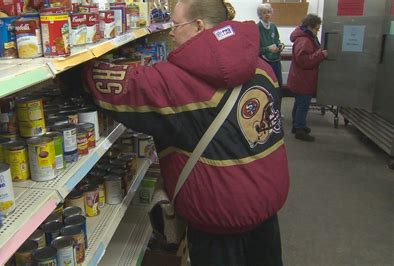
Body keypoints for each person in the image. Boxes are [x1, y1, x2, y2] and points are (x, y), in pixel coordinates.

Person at [62, 0, 289, 265]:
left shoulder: (176, 82)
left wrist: (74, 70)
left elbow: (127, 87)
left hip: (218, 223)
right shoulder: (262, 66)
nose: (170, 32)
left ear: (199, 26)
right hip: (265, 209)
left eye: (176, 24)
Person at [287, 14, 327, 142]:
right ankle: (299, 129)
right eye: (317, 28)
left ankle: (297, 125)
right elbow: (304, 61)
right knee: (303, 105)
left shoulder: (304, 37)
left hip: (300, 77)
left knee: (299, 103)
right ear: (310, 26)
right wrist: (320, 55)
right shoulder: (305, 40)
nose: (317, 31)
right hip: (303, 78)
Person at [257, 3, 284, 110]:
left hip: (276, 60)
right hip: (265, 62)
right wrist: (267, 49)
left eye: (268, 12)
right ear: (260, 15)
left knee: (278, 86)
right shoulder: (257, 28)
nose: (267, 15)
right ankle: (266, 111)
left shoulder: (273, 26)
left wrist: (280, 45)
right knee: (267, 87)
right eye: (264, 13)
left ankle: (277, 110)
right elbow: (256, 50)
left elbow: (277, 40)